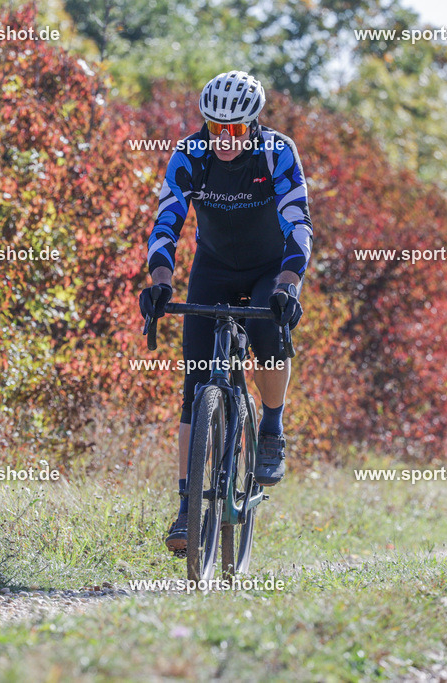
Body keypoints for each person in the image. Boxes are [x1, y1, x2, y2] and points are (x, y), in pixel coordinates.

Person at [138, 70, 314, 554]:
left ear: (254, 124)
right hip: (214, 269)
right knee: (195, 387)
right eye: (217, 129)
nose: (226, 140)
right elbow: (167, 219)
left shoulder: (277, 151)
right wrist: (159, 281)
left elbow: (298, 221)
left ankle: (272, 425)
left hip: (267, 268)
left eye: (236, 130)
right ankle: (186, 508)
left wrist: (288, 283)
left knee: (268, 338)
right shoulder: (191, 154)